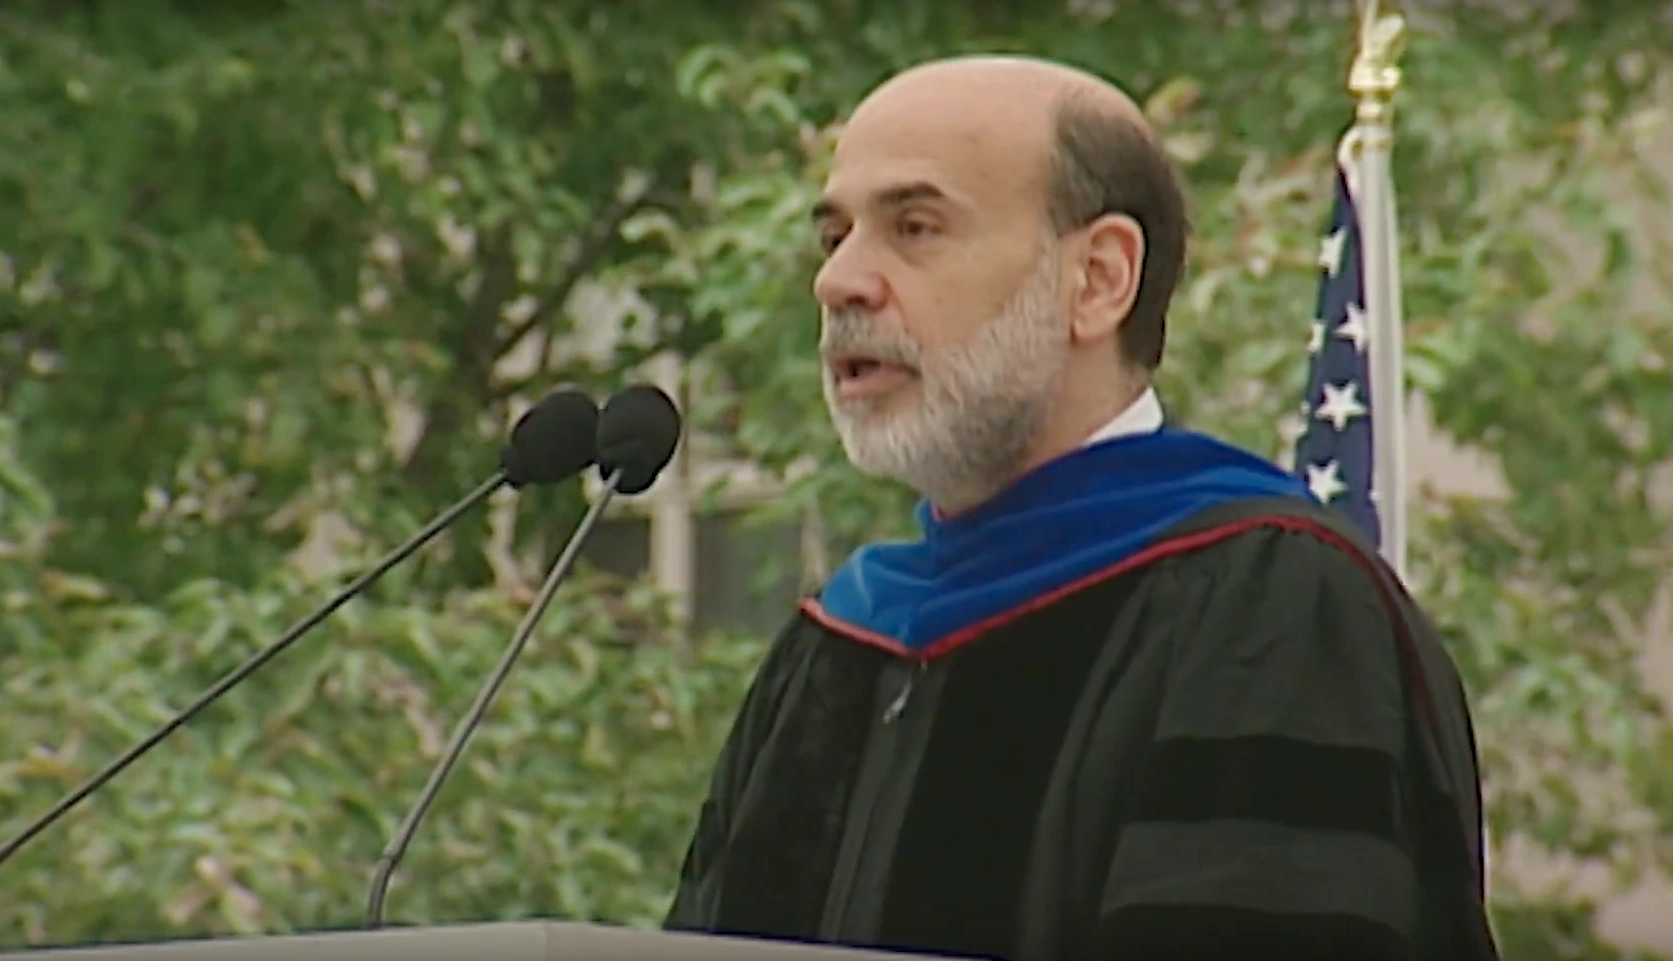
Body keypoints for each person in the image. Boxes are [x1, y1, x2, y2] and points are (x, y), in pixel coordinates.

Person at [663, 55, 1499, 961]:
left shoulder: (1273, 606)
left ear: (1097, 278)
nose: (839, 283)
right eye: (834, 238)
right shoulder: (835, 644)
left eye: (914, 227)